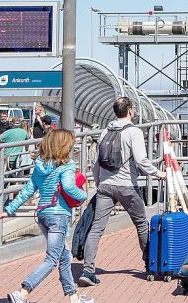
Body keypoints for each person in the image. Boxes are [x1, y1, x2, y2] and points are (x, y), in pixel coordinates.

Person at [0, 129, 92, 303]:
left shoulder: (40, 166)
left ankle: (74, 298)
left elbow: (28, 190)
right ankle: (23, 292)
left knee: (64, 257)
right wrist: (83, 196)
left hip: (43, 215)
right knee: (52, 258)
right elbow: (69, 187)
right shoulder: (67, 165)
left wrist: (9, 210)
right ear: (64, 146)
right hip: (59, 216)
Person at [78, 97, 167, 287]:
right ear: (130, 111)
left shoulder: (105, 132)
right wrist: (158, 173)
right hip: (127, 186)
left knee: (96, 229)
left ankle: (88, 269)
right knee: (142, 225)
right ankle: (150, 265)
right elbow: (142, 161)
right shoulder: (133, 132)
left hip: (105, 187)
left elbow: (96, 163)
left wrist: (99, 181)